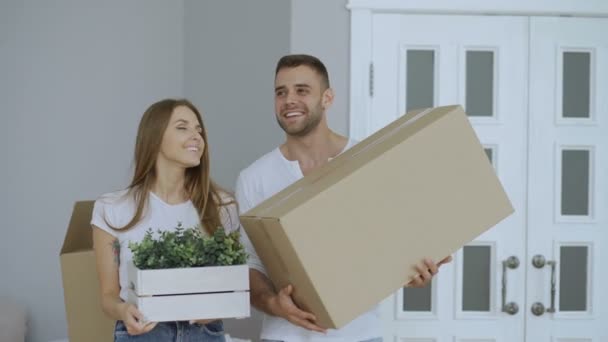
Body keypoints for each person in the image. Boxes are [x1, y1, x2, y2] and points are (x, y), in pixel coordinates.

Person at [236, 54, 452, 342]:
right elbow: (249, 263)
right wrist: (274, 303)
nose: (289, 100)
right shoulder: (254, 178)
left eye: (302, 90)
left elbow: (391, 243)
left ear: (327, 98)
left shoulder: (367, 161)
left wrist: (408, 270)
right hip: (283, 336)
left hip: (360, 335)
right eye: (280, 92)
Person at [91, 99, 238, 341]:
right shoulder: (112, 209)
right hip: (145, 333)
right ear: (154, 137)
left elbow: (233, 285)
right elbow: (108, 296)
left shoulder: (222, 206)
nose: (196, 137)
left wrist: (215, 308)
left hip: (204, 334)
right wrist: (124, 311)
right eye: (182, 127)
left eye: (199, 130)